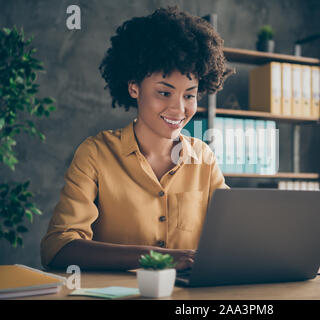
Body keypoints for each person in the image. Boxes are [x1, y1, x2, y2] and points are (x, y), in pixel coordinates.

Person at [40, 5, 234, 272]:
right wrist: (159, 258)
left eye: (189, 95)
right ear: (134, 88)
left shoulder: (204, 158)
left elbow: (234, 236)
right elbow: (58, 248)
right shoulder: (95, 154)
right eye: (164, 93)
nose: (179, 109)